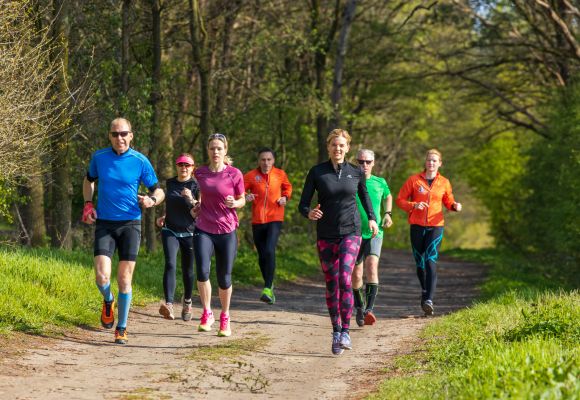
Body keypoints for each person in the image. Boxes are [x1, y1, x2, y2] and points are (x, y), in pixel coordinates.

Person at [82, 117, 165, 344]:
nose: (120, 138)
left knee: (125, 279)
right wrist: (88, 203)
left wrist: (151, 201)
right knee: (101, 277)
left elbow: (158, 190)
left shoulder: (140, 161)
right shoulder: (99, 157)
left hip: (130, 224)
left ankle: (121, 327)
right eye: (115, 134)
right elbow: (89, 180)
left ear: (131, 135)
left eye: (124, 133)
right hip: (105, 223)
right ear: (109, 136)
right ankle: (108, 300)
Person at [298, 129, 378, 356]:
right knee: (332, 284)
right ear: (328, 147)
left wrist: (372, 219)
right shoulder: (317, 172)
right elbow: (303, 203)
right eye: (334, 145)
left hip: (351, 232)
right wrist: (309, 212)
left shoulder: (356, 172)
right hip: (326, 234)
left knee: (345, 278)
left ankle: (345, 330)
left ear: (347, 148)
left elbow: (365, 198)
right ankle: (335, 331)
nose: (338, 149)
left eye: (341, 145)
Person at [395, 149, 462, 316]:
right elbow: (400, 200)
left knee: (431, 260)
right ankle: (425, 293)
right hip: (417, 226)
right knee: (420, 263)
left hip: (436, 225)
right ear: (425, 163)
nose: (431, 163)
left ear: (440, 163)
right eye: (429, 160)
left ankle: (429, 300)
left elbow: (448, 201)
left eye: (434, 161)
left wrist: (455, 206)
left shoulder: (444, 182)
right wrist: (413, 205)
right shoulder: (414, 180)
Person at [193, 133, 246, 337]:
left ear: (225, 151)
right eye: (212, 148)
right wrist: (196, 205)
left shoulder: (234, 174)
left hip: (227, 230)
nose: (215, 152)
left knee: (224, 277)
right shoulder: (200, 173)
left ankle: (225, 315)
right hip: (203, 228)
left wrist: (235, 203)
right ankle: (207, 312)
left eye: (219, 149)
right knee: (202, 271)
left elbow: (242, 199)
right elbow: (197, 194)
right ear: (208, 150)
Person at [244, 147, 292, 305]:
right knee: (262, 254)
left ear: (273, 160)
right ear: (259, 161)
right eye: (263, 159)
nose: (266, 162)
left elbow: (287, 188)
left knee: (270, 250)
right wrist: (246, 196)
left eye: (269, 159)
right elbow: (239, 191)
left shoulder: (280, 174)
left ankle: (266, 288)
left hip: (275, 218)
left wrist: (285, 197)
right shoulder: (251, 175)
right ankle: (270, 285)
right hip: (258, 220)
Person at [155, 153, 200, 321]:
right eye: (181, 164)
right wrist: (164, 216)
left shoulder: (197, 185)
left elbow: (198, 212)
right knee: (170, 263)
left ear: (192, 167)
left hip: (190, 231)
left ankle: (187, 302)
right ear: (177, 166)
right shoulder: (170, 183)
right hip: (170, 230)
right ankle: (169, 305)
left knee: (188, 269)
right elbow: (171, 204)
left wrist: (191, 199)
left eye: (187, 165)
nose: (184, 167)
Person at [352, 149, 393, 327]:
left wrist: (388, 213)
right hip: (354, 233)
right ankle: (359, 307)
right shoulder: (351, 181)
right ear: (356, 162)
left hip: (375, 233)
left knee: (372, 266)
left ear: (373, 163)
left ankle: (369, 310)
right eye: (361, 162)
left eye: (368, 162)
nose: (364, 165)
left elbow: (389, 196)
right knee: (356, 274)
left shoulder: (379, 182)